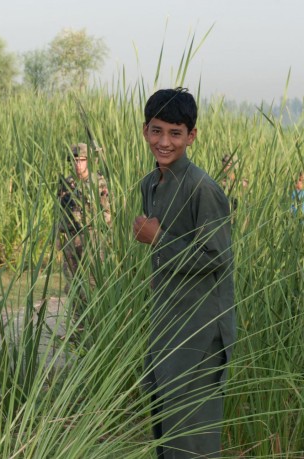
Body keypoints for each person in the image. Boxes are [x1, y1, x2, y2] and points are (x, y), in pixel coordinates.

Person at [132, 88, 236, 458]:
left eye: (175, 133)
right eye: (157, 131)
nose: (164, 141)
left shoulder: (203, 189)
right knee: (166, 430)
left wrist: (158, 238)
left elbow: (216, 258)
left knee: (192, 439)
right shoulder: (150, 185)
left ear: (191, 136)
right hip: (167, 324)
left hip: (201, 330)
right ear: (145, 130)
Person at [57, 142, 111, 334]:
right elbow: (60, 212)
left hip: (91, 238)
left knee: (91, 285)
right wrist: (58, 237)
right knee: (72, 285)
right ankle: (79, 328)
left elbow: (108, 213)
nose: (78, 164)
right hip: (71, 240)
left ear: (89, 161)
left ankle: (95, 328)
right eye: (74, 160)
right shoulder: (66, 183)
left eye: (82, 160)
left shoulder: (99, 182)